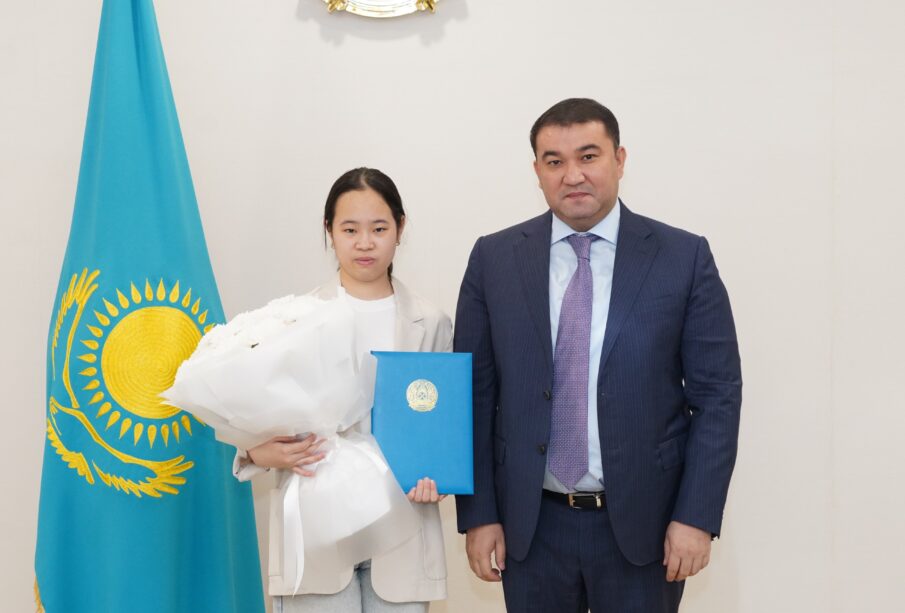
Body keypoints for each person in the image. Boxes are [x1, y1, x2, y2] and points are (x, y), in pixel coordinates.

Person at [453, 98, 742, 612]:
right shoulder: (493, 259)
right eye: (555, 161)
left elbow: (717, 396)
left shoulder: (683, 257)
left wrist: (696, 516)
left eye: (588, 156)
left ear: (620, 159)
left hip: (646, 527)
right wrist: (479, 514)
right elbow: (473, 395)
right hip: (530, 528)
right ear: (537, 171)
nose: (573, 175)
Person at [234, 167, 451, 613]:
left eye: (379, 229)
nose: (365, 243)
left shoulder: (431, 321)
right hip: (316, 527)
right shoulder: (293, 319)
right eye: (350, 229)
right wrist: (257, 453)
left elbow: (444, 423)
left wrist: (441, 476)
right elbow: (257, 416)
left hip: (402, 526)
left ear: (400, 228)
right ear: (329, 231)